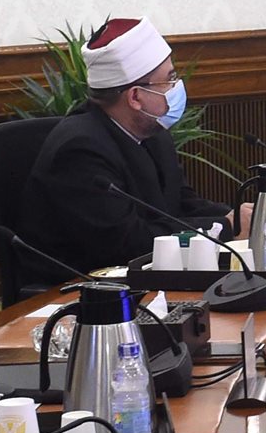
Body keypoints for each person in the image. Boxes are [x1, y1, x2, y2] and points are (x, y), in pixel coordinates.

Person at [18, 17, 245, 277]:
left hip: (147, 276)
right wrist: (224, 227)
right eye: (169, 80)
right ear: (135, 97)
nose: (177, 87)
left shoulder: (153, 132)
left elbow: (182, 203)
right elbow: (125, 242)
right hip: (81, 286)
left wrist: (236, 216)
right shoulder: (80, 150)